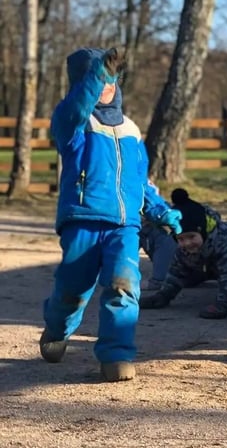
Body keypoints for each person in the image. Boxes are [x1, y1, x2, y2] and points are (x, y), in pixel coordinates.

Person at [40, 47, 181, 382]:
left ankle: (115, 355)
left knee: (123, 285)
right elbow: (77, 105)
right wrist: (95, 75)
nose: (105, 83)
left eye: (110, 77)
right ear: (82, 81)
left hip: (124, 226)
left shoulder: (131, 130)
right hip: (83, 220)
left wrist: (162, 211)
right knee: (72, 290)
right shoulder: (72, 122)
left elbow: (140, 180)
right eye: (97, 76)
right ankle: (57, 330)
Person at [139, 189, 227, 319]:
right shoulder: (185, 248)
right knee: (187, 271)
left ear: (203, 231)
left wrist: (223, 305)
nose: (187, 243)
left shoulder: (225, 241)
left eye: (191, 237)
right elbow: (176, 272)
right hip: (210, 258)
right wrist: (163, 296)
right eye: (181, 239)